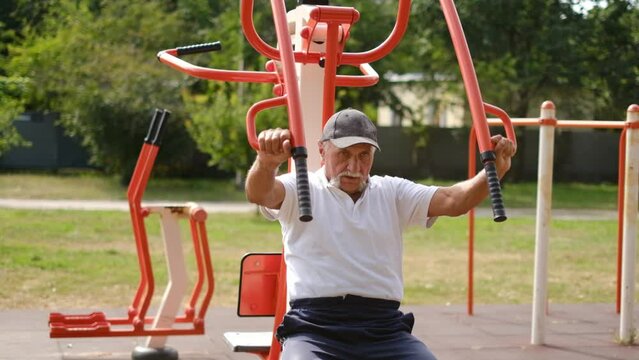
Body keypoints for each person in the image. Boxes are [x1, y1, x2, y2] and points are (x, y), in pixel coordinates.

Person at [245, 108, 516, 360]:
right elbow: (260, 193)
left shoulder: (391, 192)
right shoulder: (301, 187)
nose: (353, 166)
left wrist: (494, 171)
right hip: (316, 326)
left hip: (382, 327)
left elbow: (453, 200)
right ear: (322, 151)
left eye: (364, 155)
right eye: (344, 154)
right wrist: (266, 163)